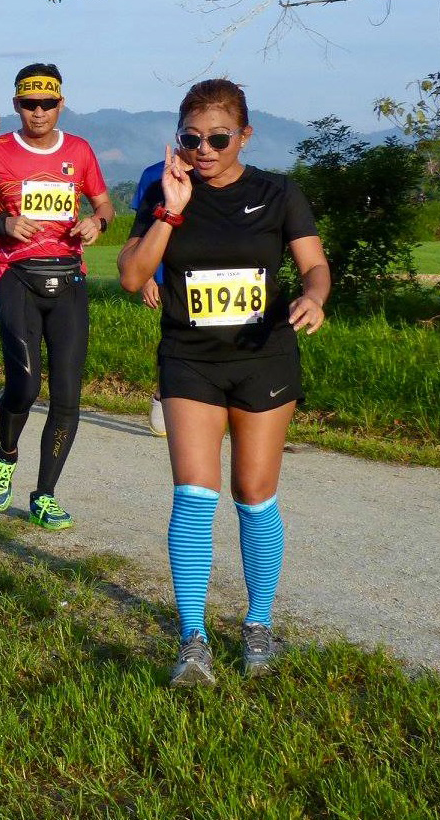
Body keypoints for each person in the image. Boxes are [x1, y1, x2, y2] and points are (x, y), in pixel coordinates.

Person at [118, 78, 330, 687]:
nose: (204, 150)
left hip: (264, 358)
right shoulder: (163, 191)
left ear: (244, 135)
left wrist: (314, 297)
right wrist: (170, 211)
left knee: (254, 495)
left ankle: (257, 627)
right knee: (193, 493)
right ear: (178, 137)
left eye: (218, 138)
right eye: (192, 138)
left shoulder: (277, 193)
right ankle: (193, 639)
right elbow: (133, 278)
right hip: (190, 360)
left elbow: (313, 264)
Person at [0, 63, 114, 531]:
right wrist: (0, 224)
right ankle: (6, 456)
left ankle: (45, 494)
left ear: (61, 104)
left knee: (68, 395)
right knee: (25, 386)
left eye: (48, 103)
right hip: (18, 278)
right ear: (16, 105)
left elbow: (104, 203)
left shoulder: (81, 151)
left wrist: (98, 222)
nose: (39, 111)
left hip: (69, 279)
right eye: (30, 103)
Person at [132, 143, 195, 436]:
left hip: (202, 273)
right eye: (191, 137)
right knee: (171, 336)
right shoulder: (152, 175)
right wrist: (147, 278)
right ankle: (162, 394)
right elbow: (141, 231)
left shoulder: (216, 174)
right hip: (165, 272)